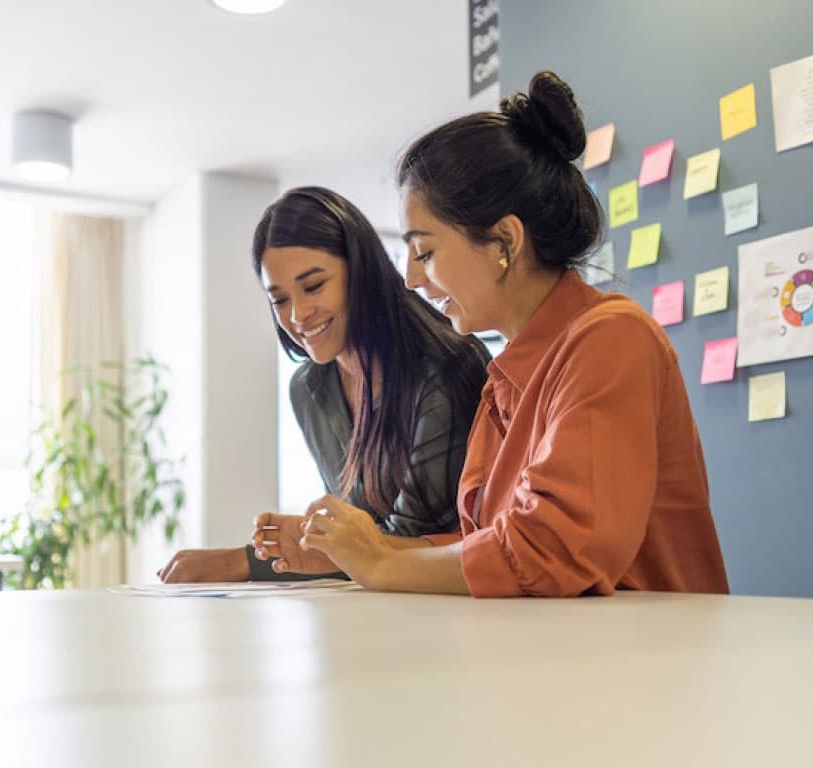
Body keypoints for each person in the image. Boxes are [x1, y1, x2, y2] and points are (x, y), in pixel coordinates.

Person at [286, 71, 730, 597]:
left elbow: (550, 552)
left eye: (425, 252)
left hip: (646, 666)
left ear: (504, 241)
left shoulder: (612, 339)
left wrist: (377, 564)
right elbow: (486, 544)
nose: (411, 279)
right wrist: (346, 550)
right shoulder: (506, 379)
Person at [158, 187, 490, 583]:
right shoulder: (309, 388)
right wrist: (301, 540)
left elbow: (410, 541)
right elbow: (357, 537)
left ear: (361, 271)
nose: (298, 314)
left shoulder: (444, 367)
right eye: (279, 299)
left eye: (313, 286)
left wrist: (248, 561)